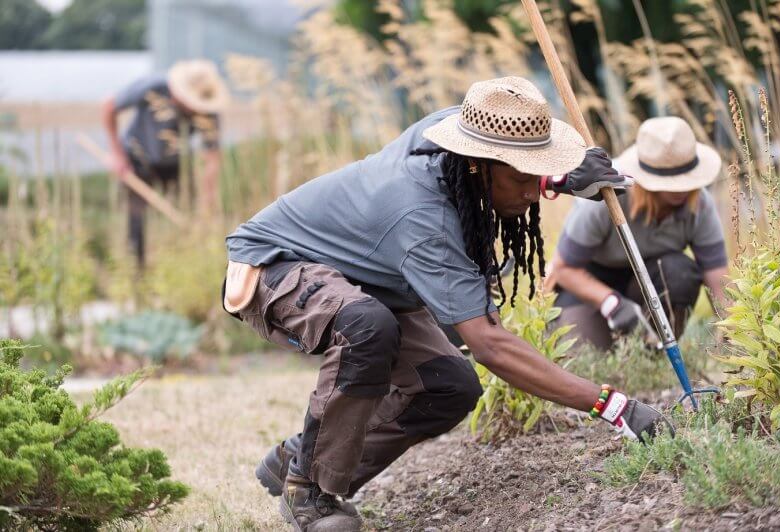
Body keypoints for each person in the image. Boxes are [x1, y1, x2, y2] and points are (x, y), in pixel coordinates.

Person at [223, 77, 671, 531]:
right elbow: (490, 345)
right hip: (277, 266)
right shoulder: (423, 218)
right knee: (366, 326)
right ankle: (308, 490)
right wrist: (614, 406)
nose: (533, 192)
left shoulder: (456, 133)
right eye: (522, 179)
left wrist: (562, 175)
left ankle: (305, 455)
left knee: (448, 387)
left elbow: (512, 165)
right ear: (479, 164)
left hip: (364, 274)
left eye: (537, 175)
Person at [549, 116, 729, 350]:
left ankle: (655, 353)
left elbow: (715, 274)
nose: (681, 189)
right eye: (669, 181)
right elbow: (563, 268)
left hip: (650, 279)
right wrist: (611, 303)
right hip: (588, 283)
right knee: (586, 357)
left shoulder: (700, 205)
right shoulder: (603, 197)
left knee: (680, 273)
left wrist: (731, 326)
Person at [102, 60, 229, 267]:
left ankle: (183, 262)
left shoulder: (207, 109)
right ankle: (138, 274)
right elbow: (108, 106)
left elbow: (212, 159)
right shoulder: (152, 87)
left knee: (186, 209)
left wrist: (207, 204)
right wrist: (117, 155)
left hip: (174, 161)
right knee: (136, 219)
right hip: (136, 157)